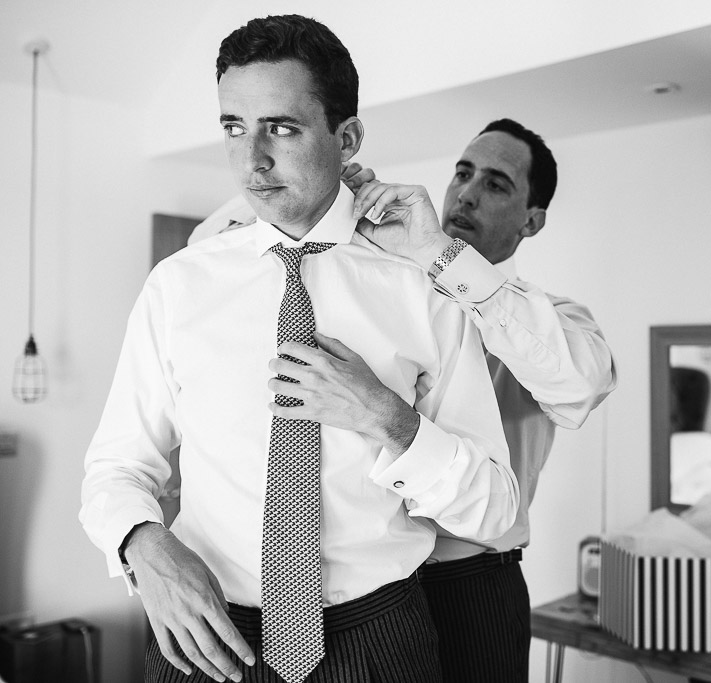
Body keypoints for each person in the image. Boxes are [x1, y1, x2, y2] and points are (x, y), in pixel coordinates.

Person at [79, 15, 518, 683]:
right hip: (204, 639)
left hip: (379, 642)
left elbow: (497, 506)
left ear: (348, 138)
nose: (251, 160)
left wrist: (390, 420)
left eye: (280, 127)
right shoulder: (178, 284)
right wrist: (143, 546)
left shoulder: (421, 289)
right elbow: (114, 469)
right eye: (234, 126)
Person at [189, 119, 615, 680]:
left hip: (469, 586)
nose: (466, 192)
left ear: (531, 220)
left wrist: (441, 255)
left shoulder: (552, 320)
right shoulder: (384, 283)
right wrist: (319, 191)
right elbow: (204, 250)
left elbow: (580, 386)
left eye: (495, 184)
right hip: (372, 592)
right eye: (463, 172)